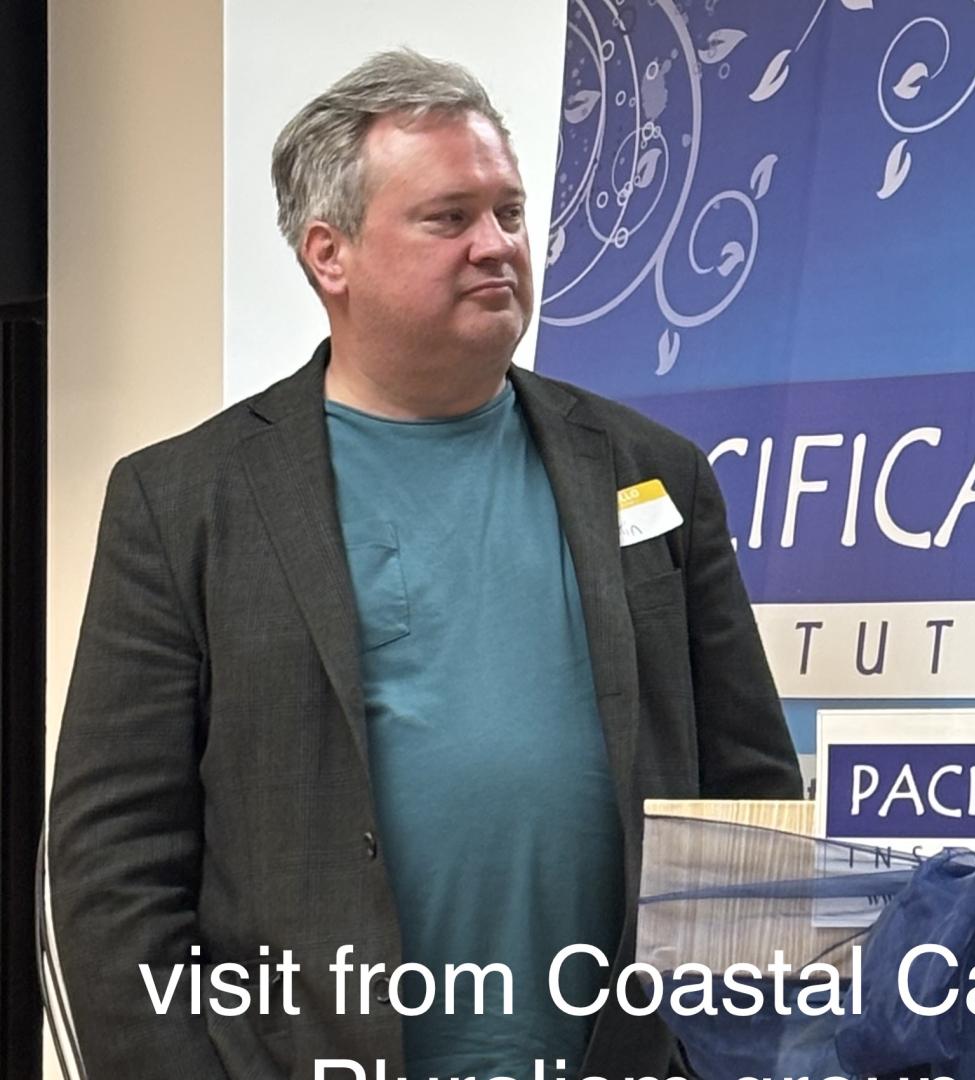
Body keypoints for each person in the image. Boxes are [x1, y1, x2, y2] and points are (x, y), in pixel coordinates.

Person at [47, 49, 802, 1079]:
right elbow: (113, 859)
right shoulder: (184, 502)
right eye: (449, 218)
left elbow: (748, 795)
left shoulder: (652, 475)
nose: (497, 246)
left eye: (510, 212)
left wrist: (742, 1052)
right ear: (330, 255)